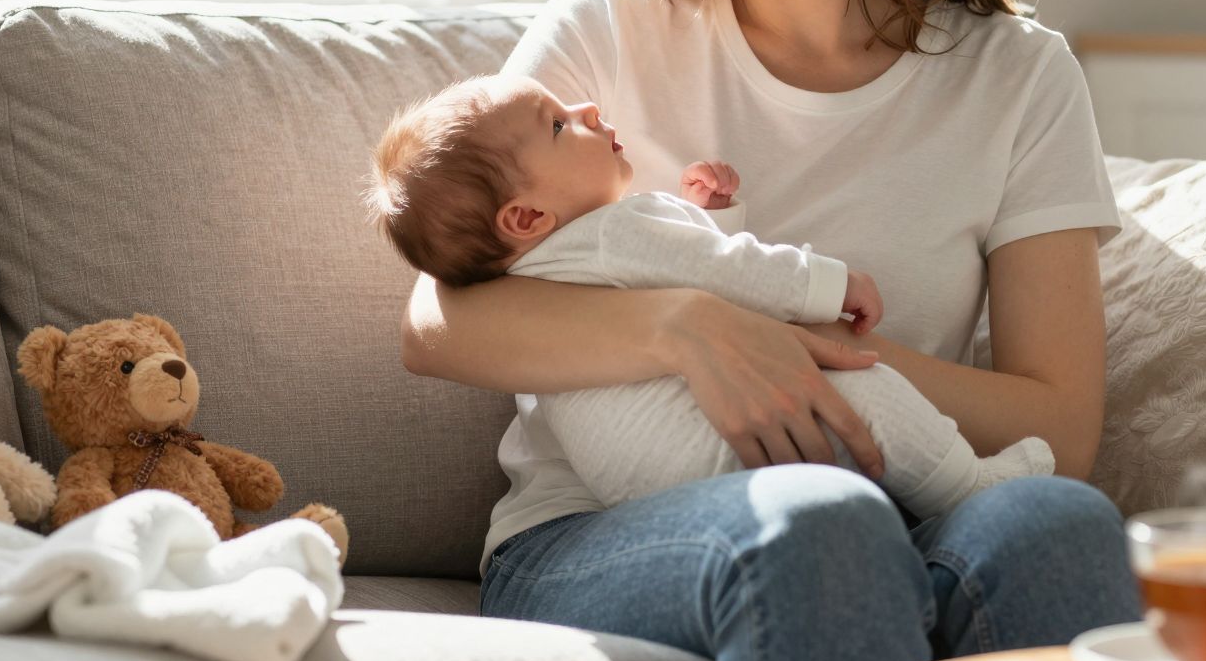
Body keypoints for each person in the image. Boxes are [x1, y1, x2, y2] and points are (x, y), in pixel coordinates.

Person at [400, 0, 1141, 661]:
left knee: (1055, 521)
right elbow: (435, 322)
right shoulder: (610, 25)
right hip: (604, 534)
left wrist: (806, 357)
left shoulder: (1015, 78)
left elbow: (1058, 426)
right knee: (817, 525)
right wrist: (688, 328)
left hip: (911, 504)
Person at [366, 71, 1056, 519]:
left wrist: (703, 213)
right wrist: (831, 284)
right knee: (872, 391)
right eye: (557, 124)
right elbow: (728, 272)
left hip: (642, 482)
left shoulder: (534, 264)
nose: (585, 106)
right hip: (705, 447)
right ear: (523, 217)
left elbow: (686, 261)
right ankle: (968, 488)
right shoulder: (616, 231)